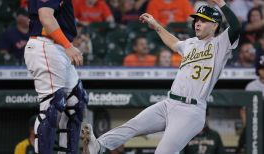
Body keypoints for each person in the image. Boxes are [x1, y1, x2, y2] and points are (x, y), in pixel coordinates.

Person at [82, 0, 241, 153]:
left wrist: (220, 3)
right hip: (169, 103)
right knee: (133, 125)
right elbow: (174, 43)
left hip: (191, 110)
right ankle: (98, 146)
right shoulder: (191, 43)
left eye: (204, 21)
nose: (198, 23)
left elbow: (236, 27)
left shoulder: (221, 44)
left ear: (215, 25)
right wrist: (156, 26)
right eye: (197, 20)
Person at [24, 0, 89, 153]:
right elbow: (45, 16)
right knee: (52, 107)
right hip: (46, 45)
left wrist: (66, 46)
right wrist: (68, 46)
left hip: (57, 47)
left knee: (76, 102)